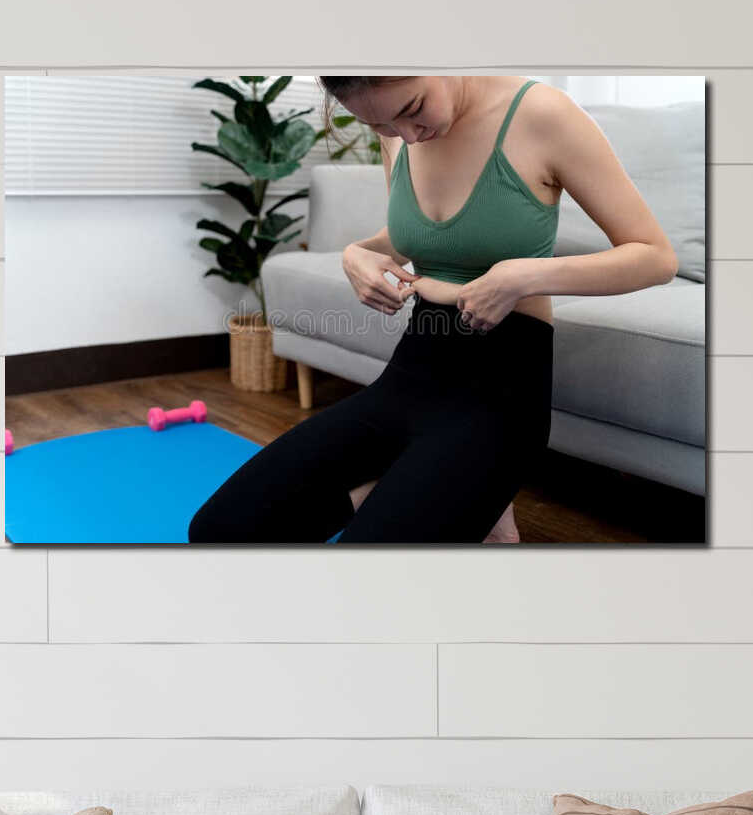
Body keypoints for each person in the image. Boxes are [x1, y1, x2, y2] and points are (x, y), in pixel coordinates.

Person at [187, 75, 679, 544]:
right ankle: (454, 502)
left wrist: (522, 274)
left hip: (500, 395)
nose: (407, 135)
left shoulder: (541, 114)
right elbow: (419, 237)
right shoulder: (399, 134)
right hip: (408, 378)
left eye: (412, 109)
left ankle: (465, 495)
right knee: (219, 531)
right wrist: (358, 253)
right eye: (380, 126)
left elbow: (654, 256)